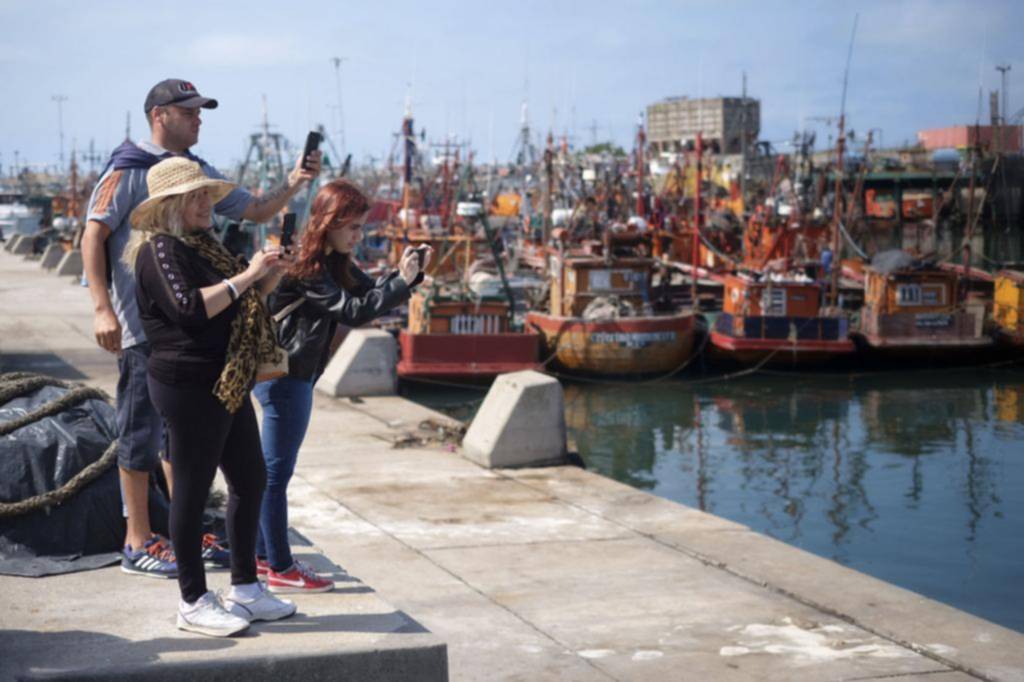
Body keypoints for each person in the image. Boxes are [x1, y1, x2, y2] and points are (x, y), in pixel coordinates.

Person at [81, 78, 320, 578]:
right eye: (188, 111)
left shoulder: (196, 173)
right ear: (159, 115)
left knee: (179, 441)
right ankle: (137, 538)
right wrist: (102, 308)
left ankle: (174, 530)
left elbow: (254, 209)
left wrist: (296, 181)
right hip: (143, 325)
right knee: (138, 430)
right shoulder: (127, 169)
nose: (199, 119)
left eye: (200, 111)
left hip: (190, 334)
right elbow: (93, 235)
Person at [125, 156, 296, 637]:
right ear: (172, 205)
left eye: (207, 195)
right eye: (197, 197)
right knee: (193, 491)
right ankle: (193, 599)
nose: (207, 204)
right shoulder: (158, 250)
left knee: (250, 478)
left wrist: (271, 271)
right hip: (187, 384)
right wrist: (247, 278)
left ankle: (244, 587)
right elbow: (189, 309)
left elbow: (246, 297)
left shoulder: (206, 246)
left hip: (226, 377)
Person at [252, 179, 429, 593]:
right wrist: (401, 283)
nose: (358, 235)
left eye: (361, 227)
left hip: (295, 374)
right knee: (275, 474)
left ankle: (263, 556)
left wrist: (408, 276)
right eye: (352, 226)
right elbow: (352, 311)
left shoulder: (332, 262)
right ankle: (279, 565)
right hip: (285, 375)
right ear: (329, 223)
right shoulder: (307, 267)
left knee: (273, 471)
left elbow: (370, 293)